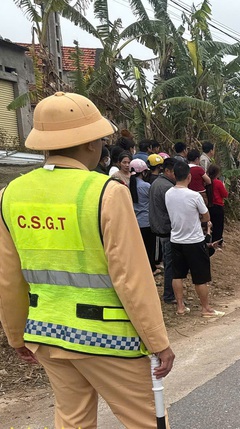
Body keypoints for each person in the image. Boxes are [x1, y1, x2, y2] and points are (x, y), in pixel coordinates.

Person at [0, 92, 174, 428]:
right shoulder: (105, 192)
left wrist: (15, 335)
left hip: (48, 334)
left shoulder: (10, 195)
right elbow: (131, 278)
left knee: (72, 421)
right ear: (91, 144)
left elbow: (8, 278)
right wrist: (158, 342)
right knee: (149, 422)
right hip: (108, 338)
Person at [165, 160, 224, 318]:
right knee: (200, 277)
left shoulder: (168, 193)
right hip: (194, 240)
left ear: (174, 175)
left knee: (177, 275)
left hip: (176, 239)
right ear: (189, 177)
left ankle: (180, 306)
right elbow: (206, 216)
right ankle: (206, 308)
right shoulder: (194, 195)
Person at [149, 158, 177, 304]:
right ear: (167, 171)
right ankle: (169, 295)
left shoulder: (156, 183)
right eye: (174, 172)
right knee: (171, 265)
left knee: (169, 263)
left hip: (159, 228)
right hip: (167, 229)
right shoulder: (167, 187)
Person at [129, 159, 158, 275]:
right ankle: (151, 269)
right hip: (146, 221)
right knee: (149, 248)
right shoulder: (146, 186)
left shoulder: (128, 185)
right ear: (143, 172)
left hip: (135, 221)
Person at [207, 164, 228, 247]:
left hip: (208, 205)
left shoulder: (206, 181)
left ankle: (209, 239)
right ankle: (217, 241)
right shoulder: (218, 183)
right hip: (218, 206)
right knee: (218, 225)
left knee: (209, 223)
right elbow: (225, 194)